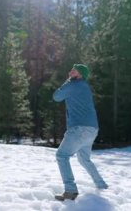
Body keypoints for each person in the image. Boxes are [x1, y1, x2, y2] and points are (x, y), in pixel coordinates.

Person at [53, 64, 108, 201]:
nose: (70, 71)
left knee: (62, 155)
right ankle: (101, 185)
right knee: (84, 159)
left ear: (80, 74)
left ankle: (70, 190)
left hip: (79, 128)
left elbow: (57, 96)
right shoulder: (85, 86)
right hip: (92, 129)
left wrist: (68, 81)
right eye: (70, 69)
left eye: (74, 70)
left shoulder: (73, 85)